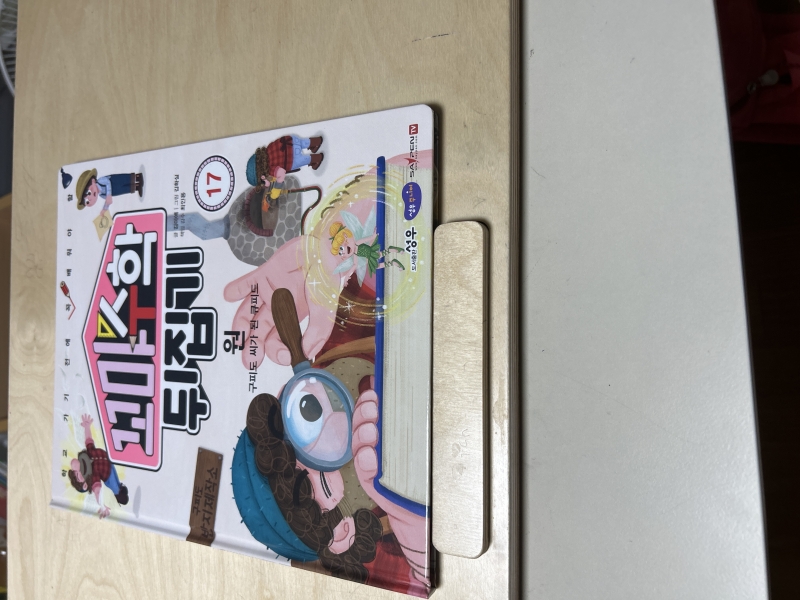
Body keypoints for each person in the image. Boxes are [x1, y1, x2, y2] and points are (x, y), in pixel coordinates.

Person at [68, 414, 129, 519]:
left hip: (108, 459)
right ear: (85, 485)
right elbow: (97, 492)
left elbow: (88, 439)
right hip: (108, 474)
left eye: (76, 470)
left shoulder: (89, 453)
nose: (78, 470)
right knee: (117, 489)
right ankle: (120, 495)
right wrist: (102, 506)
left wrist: (87, 426)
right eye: (77, 474)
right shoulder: (93, 476)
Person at [76, 169, 144, 218]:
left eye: (88, 193)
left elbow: (107, 182)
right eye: (87, 202)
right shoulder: (101, 195)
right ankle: (137, 187)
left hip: (115, 181)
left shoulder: (100, 181)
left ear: (93, 181)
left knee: (125, 179)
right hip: (115, 191)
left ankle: (137, 177)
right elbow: (108, 202)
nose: (90, 198)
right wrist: (104, 210)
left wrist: (108, 194)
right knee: (125, 189)